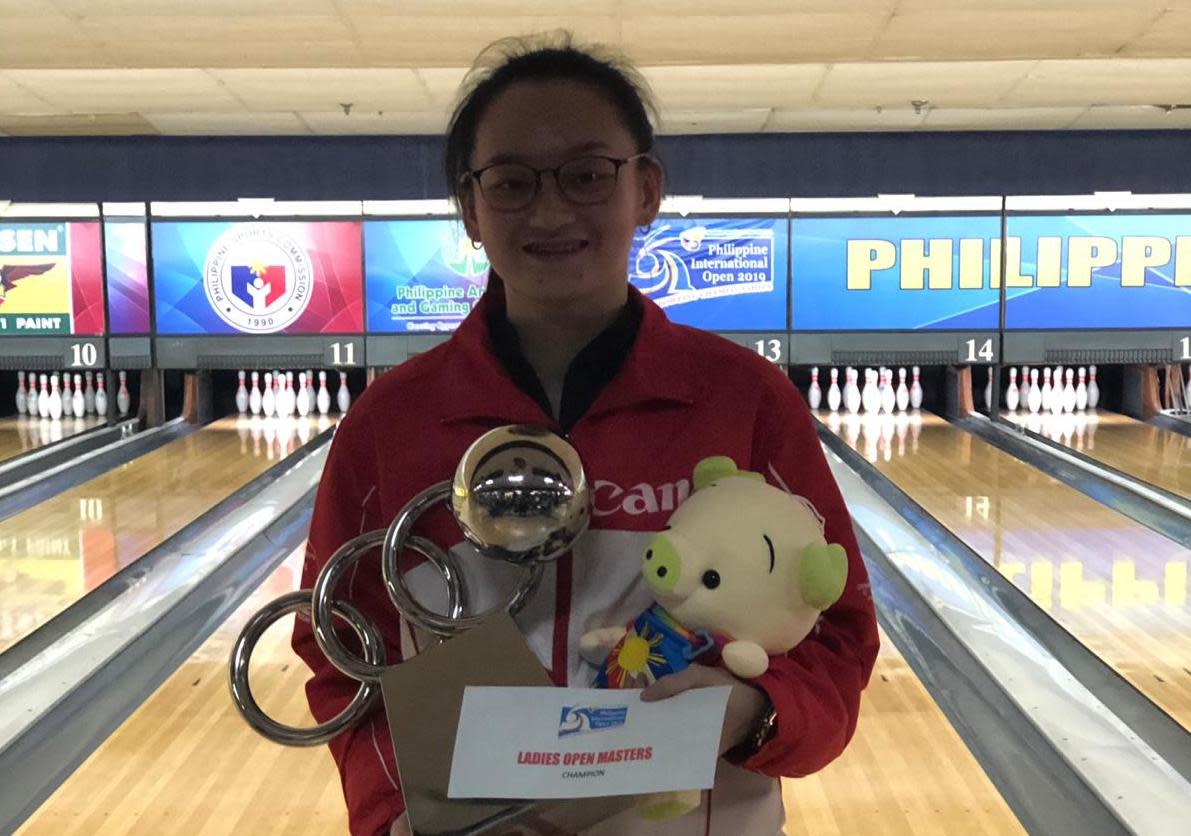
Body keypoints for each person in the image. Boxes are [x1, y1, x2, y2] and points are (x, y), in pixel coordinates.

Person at [292, 32, 879, 836]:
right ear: (468, 208)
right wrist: (398, 812)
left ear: (646, 190)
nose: (550, 209)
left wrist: (757, 709)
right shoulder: (392, 420)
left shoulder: (744, 399)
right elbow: (338, 655)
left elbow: (837, 633)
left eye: (586, 174)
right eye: (509, 181)